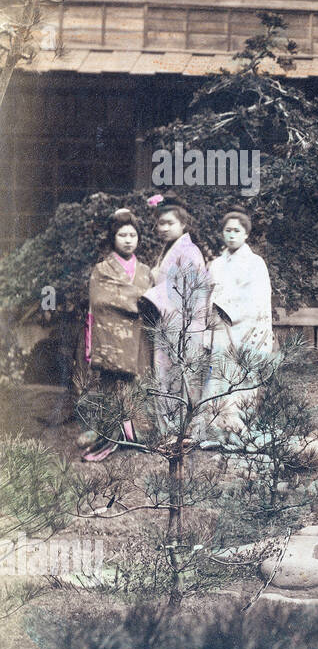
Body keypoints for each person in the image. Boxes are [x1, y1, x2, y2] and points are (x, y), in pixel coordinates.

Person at [199, 207, 275, 445]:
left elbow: (259, 298)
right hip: (220, 329)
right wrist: (210, 319)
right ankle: (216, 431)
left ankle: (239, 430)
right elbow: (207, 296)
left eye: (236, 230)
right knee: (218, 378)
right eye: (227, 230)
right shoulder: (216, 264)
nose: (231, 235)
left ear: (246, 234)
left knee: (240, 380)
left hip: (243, 330)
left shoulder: (255, 263)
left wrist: (227, 308)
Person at [82, 209, 153, 461]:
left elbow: (154, 302)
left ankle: (137, 435)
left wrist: (146, 303)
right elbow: (100, 301)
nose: (128, 239)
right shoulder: (102, 270)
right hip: (113, 338)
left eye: (133, 234)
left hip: (140, 337)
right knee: (112, 387)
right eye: (122, 234)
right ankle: (111, 436)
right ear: (113, 238)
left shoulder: (145, 271)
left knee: (139, 385)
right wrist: (139, 301)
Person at [139, 197, 211, 440]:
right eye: (160, 224)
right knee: (165, 376)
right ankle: (169, 429)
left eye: (169, 223)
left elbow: (189, 291)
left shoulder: (190, 252)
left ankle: (185, 431)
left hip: (184, 324)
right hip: (166, 321)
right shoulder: (168, 250)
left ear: (183, 224)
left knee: (183, 377)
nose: (164, 228)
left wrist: (153, 297)